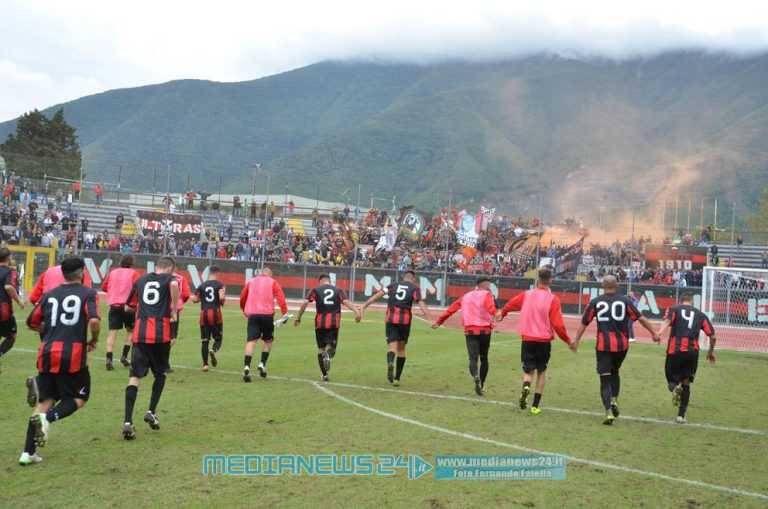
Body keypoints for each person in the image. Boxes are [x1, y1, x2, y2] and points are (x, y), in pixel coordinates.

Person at [21, 257, 100, 465]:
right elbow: (93, 320)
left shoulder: (49, 295)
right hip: (72, 356)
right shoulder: (88, 293)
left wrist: (48, 331)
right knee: (79, 397)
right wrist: (94, 339)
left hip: (46, 352)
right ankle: (48, 419)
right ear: (82, 272)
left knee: (45, 401)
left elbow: (31, 321)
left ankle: (27, 452)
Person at [571, 276, 659, 425]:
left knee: (605, 379)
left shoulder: (596, 302)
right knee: (615, 372)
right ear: (616, 285)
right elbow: (641, 318)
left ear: (602, 285)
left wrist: (576, 340)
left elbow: (584, 322)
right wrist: (654, 333)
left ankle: (608, 412)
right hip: (621, 346)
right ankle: (614, 400)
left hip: (603, 346)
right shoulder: (625, 301)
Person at [497, 267, 573, 414]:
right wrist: (568, 341)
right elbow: (558, 325)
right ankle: (535, 406)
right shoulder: (553, 299)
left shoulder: (527, 294)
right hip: (544, 340)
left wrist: (503, 312)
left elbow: (511, 304)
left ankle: (526, 385)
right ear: (551, 280)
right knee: (541, 372)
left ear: (538, 279)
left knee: (528, 369)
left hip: (528, 338)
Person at [121, 256, 179, 440]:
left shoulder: (141, 280)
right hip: (160, 333)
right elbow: (175, 286)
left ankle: (128, 422)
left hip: (140, 333)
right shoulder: (170, 279)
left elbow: (128, 307)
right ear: (170, 268)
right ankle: (151, 411)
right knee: (160, 373)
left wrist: (139, 309)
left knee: (134, 377)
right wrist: (174, 309)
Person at [654, 294, 717, 423]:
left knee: (671, 382)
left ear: (680, 301)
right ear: (692, 302)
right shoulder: (700, 314)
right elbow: (713, 336)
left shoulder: (674, 309)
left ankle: (674, 385)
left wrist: (659, 333)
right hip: (692, 352)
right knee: (686, 382)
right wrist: (710, 352)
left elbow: (667, 321)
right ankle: (681, 416)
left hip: (674, 350)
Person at [432, 276, 497, 396]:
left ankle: (475, 376)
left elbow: (451, 309)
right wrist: (497, 314)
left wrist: (439, 321)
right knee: (484, 358)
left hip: (470, 330)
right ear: (486, 284)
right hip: (485, 330)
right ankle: (481, 385)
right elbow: (491, 308)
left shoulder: (466, 296)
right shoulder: (487, 295)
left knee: (472, 358)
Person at [362, 270, 428, 386]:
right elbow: (420, 301)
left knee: (392, 346)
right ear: (413, 279)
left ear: (404, 278)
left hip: (391, 319)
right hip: (405, 320)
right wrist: (427, 314)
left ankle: (390, 362)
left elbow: (378, 295)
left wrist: (364, 305)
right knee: (401, 349)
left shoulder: (393, 285)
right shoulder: (414, 288)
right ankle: (397, 378)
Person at [294, 274, 362, 382]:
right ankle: (328, 354)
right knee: (331, 349)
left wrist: (298, 317)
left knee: (321, 349)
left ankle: (324, 374)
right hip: (334, 322)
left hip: (320, 323)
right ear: (329, 281)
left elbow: (305, 303)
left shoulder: (315, 290)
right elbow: (346, 302)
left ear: (320, 281)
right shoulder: (338, 290)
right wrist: (356, 311)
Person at [239, 267, 289, 382]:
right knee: (268, 340)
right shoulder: (273, 282)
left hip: (253, 314)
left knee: (251, 341)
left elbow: (242, 296)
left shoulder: (251, 281)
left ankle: (246, 366)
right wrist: (284, 313)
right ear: (270, 274)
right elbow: (281, 298)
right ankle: (262, 363)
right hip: (267, 315)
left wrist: (244, 309)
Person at [102, 255, 140, 370]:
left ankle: (109, 358)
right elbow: (138, 288)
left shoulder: (113, 272)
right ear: (132, 263)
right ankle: (124, 356)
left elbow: (104, 287)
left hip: (114, 305)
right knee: (130, 331)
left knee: (112, 332)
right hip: (128, 307)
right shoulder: (134, 273)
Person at [192, 266, 225, 372]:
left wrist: (201, 298)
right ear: (217, 273)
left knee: (205, 340)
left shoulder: (202, 285)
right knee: (218, 338)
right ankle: (213, 350)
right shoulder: (220, 285)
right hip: (216, 313)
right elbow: (221, 298)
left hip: (204, 314)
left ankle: (205, 365)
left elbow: (195, 299)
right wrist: (222, 302)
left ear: (209, 273)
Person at [0, 248, 24, 373]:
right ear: (8, 258)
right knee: (11, 336)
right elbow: (9, 286)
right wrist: (19, 301)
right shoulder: (10, 271)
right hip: (3, 309)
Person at [28, 261, 93, 305]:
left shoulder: (48, 272)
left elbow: (33, 298)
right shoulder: (82, 273)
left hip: (49, 316)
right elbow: (88, 297)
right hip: (73, 318)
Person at [166, 269, 191, 373]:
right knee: (171, 338)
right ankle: (164, 363)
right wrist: (180, 303)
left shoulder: (159, 277)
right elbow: (186, 294)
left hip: (158, 309)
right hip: (173, 310)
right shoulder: (180, 278)